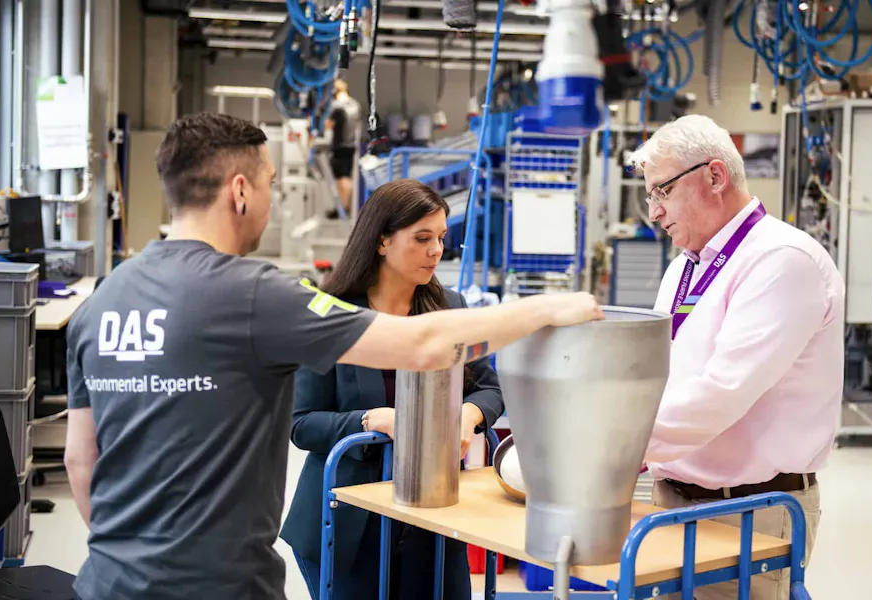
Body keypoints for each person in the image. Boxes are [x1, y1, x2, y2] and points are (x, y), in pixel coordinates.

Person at [62, 112, 602, 600]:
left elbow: (80, 461)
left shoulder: (99, 301)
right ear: (241, 190)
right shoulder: (256, 294)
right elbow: (422, 345)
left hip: (110, 580)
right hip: (218, 583)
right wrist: (549, 308)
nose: (273, 200)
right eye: (272, 185)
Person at [630, 114, 844, 600]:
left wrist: (611, 446)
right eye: (650, 196)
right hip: (675, 503)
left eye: (661, 191)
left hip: (750, 513)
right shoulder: (686, 267)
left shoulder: (782, 260)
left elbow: (720, 394)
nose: (654, 212)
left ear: (714, 176)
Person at [279, 179, 504, 599]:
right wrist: (373, 420)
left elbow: (489, 388)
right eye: (422, 239)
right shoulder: (329, 313)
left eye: (441, 237)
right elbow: (301, 423)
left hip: (431, 522)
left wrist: (466, 418)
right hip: (346, 528)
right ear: (382, 241)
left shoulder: (448, 309)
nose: (436, 250)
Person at [326, 79, 361, 217]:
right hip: (351, 145)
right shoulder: (354, 105)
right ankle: (344, 206)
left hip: (339, 146)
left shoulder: (337, 106)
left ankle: (342, 208)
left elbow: (328, 124)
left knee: (341, 179)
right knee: (346, 177)